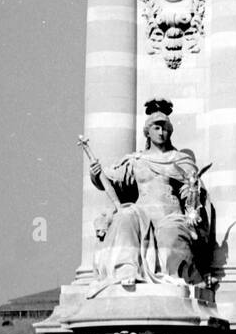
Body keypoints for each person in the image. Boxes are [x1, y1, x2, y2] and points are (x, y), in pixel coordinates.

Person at [86, 99, 213, 291]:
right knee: (125, 216)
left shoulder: (180, 160)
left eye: (165, 128)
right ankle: (127, 269)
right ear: (147, 131)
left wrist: (192, 195)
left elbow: (195, 195)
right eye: (157, 128)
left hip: (171, 216)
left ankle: (174, 277)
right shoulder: (135, 160)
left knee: (170, 233)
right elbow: (110, 180)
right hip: (142, 215)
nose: (162, 132)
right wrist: (95, 174)